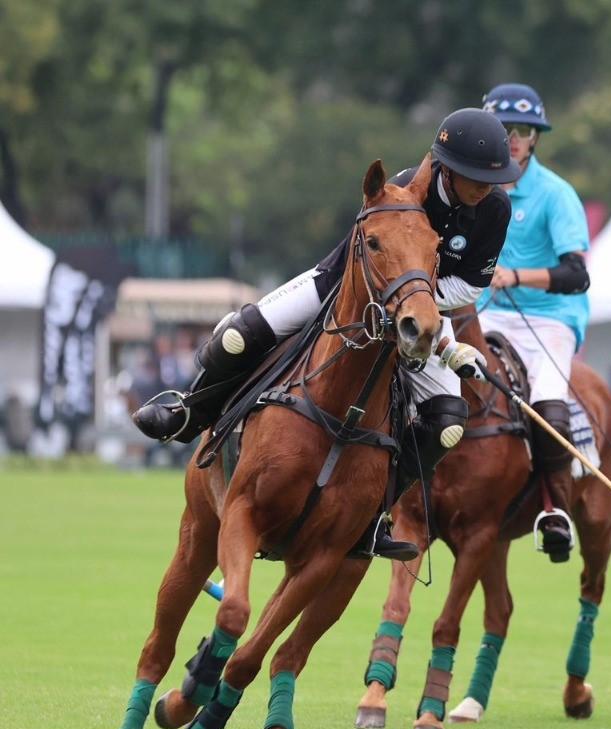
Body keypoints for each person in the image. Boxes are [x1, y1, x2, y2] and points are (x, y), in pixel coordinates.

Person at [132, 107, 520, 557]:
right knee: (239, 334)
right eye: (476, 178)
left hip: (426, 308)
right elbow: (368, 253)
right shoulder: (402, 189)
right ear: (447, 170)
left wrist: (415, 301)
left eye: (492, 179)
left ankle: (374, 514)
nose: (485, 187)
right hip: (342, 287)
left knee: (447, 423)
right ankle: (188, 411)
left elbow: (471, 284)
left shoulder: (495, 209)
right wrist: (396, 297)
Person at [476, 83, 592, 562]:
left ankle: (555, 508)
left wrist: (517, 276)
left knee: (547, 403)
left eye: (523, 131)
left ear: (535, 138)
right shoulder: (471, 188)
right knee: (424, 377)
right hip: (482, 312)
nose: (513, 139)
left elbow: (576, 275)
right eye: (504, 129)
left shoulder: (555, 194)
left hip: (549, 319)